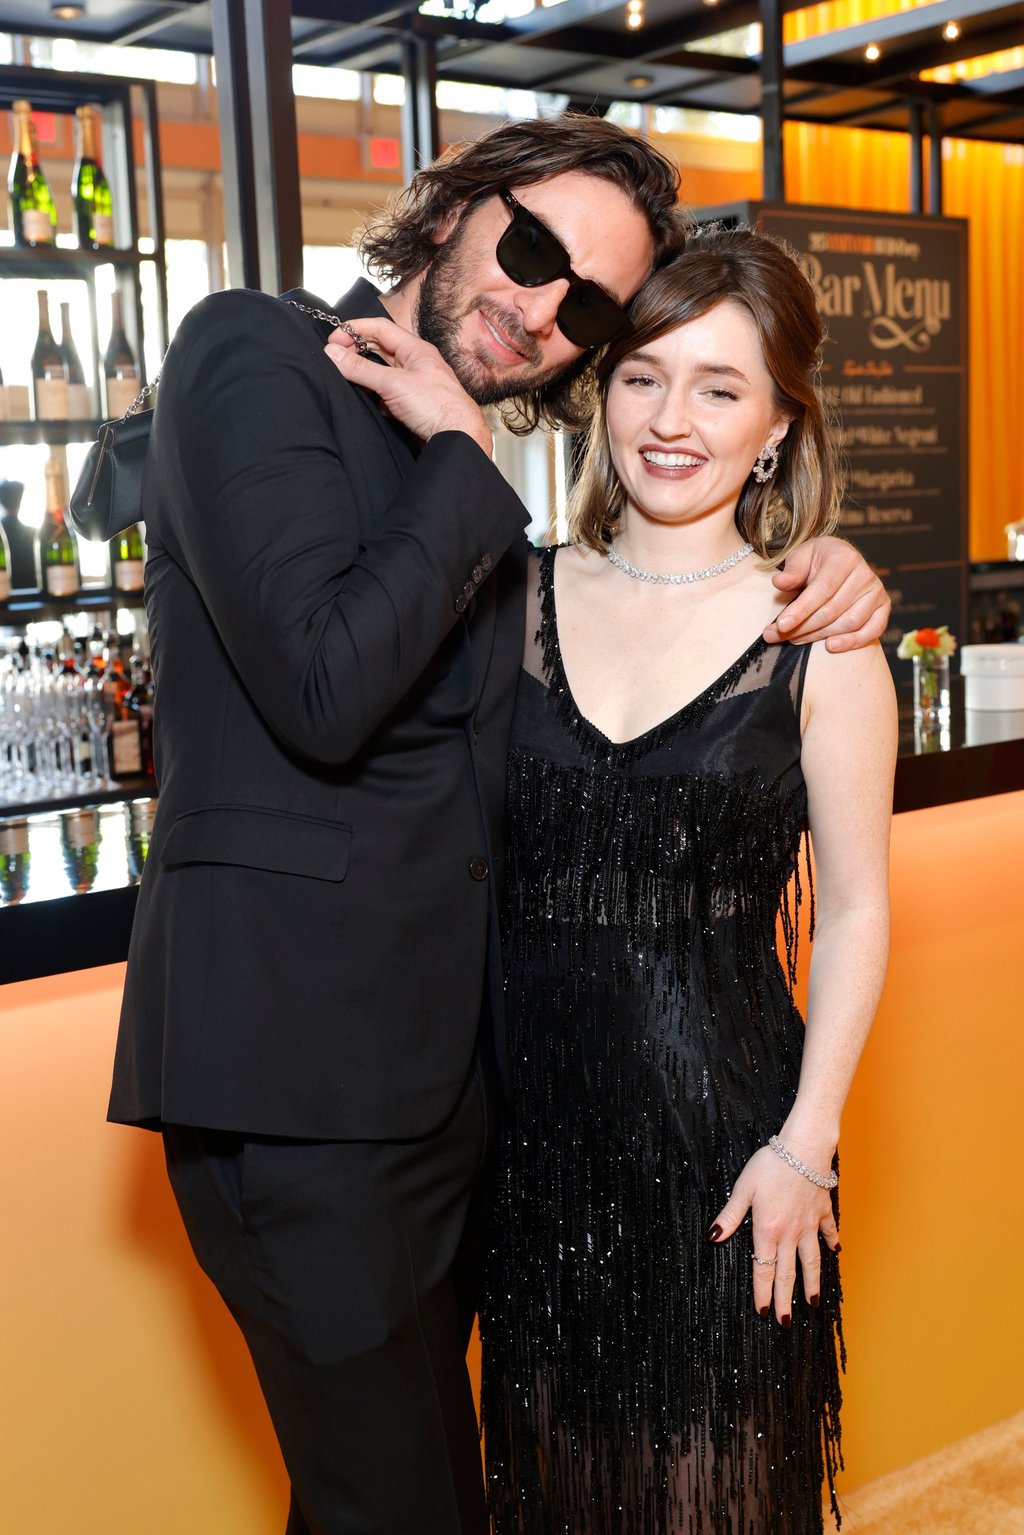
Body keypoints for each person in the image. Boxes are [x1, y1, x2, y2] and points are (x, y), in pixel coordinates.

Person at [107, 113, 890, 1535]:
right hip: (300, 1086)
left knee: (405, 1492)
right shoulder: (258, 355)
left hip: (497, 1112)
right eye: (532, 250)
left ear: (775, 421)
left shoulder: (511, 544)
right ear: (455, 205)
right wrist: (470, 455)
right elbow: (324, 689)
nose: (540, 309)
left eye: (587, 309)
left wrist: (830, 568)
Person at [476, 225, 897, 1535]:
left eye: (720, 389)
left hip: (730, 1163)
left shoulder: (821, 640)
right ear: (601, 393)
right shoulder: (503, 601)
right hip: (531, 1162)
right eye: (645, 377)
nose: (672, 420)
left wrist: (806, 1147)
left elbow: (858, 909)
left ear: (775, 428)